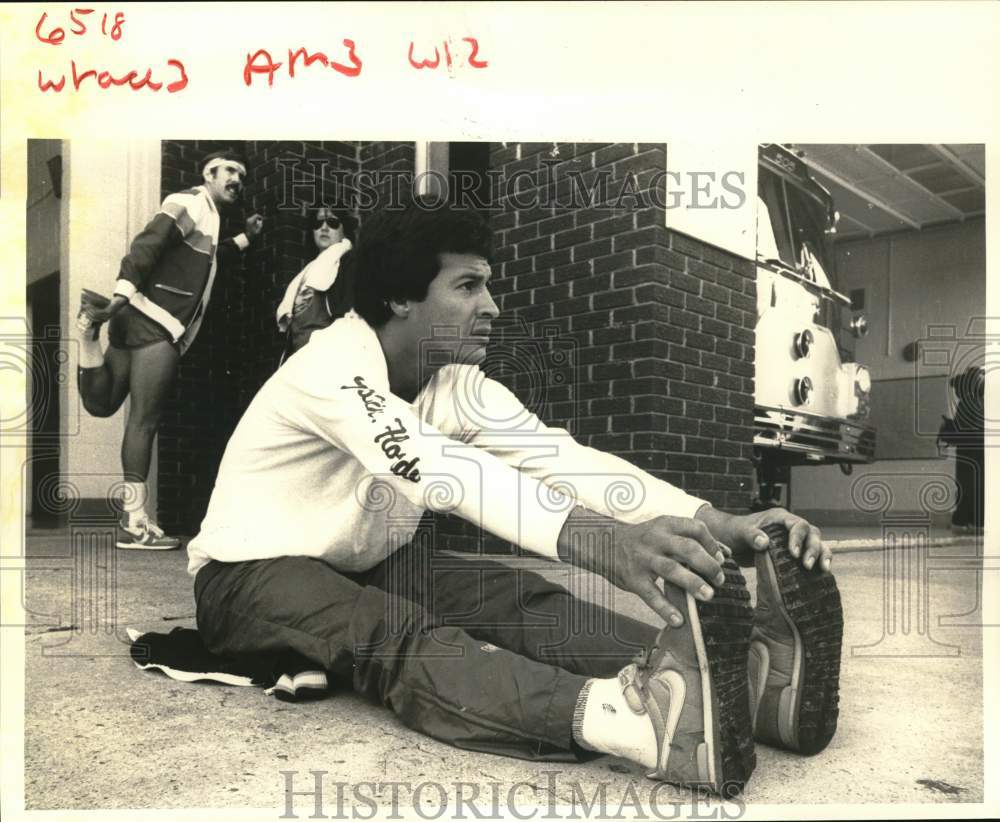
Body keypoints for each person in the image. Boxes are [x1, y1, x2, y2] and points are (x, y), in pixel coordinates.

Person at [186, 203, 840, 796]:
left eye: (487, 284)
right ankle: (633, 723)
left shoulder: (457, 385)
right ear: (398, 297)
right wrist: (606, 542)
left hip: (359, 564)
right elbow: (439, 466)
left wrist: (720, 523)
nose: (493, 305)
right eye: (468, 286)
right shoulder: (327, 370)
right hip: (248, 579)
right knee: (399, 636)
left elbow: (565, 462)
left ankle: (740, 690)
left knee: (512, 596)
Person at [76, 150, 264, 550]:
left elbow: (212, 262)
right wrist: (117, 299)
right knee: (144, 422)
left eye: (241, 175)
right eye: (229, 171)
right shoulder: (191, 202)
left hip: (136, 319)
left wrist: (247, 237)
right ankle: (135, 523)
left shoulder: (208, 219)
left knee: (102, 403)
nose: (236, 180)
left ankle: (87, 338)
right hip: (155, 322)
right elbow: (146, 245)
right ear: (208, 174)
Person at [275, 207, 358, 360]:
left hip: (326, 355)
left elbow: (347, 314)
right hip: (298, 355)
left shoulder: (348, 261)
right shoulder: (308, 271)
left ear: (344, 230)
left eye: (332, 222)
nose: (324, 228)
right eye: (318, 223)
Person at [937, 365, 985, 533]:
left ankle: (961, 521)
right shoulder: (982, 402)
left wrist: (947, 426)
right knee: (979, 486)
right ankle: (977, 522)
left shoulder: (965, 404)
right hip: (982, 450)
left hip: (967, 450)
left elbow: (959, 431)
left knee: (965, 485)